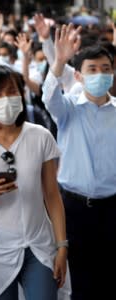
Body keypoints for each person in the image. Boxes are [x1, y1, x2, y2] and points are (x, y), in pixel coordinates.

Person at [0, 64, 68, 300]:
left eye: (11, 92)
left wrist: (62, 246)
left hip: (38, 244)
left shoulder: (40, 136)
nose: (6, 100)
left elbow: (52, 196)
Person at [42, 24, 116, 300]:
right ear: (79, 75)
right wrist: (59, 61)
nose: (100, 74)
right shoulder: (68, 110)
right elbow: (49, 97)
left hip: (111, 206)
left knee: (108, 276)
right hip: (73, 205)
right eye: (93, 69)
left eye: (106, 68)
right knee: (78, 279)